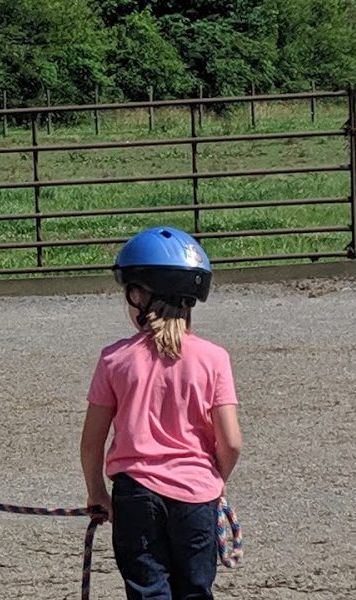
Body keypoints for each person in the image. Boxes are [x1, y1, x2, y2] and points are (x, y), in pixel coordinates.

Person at [80, 226, 243, 600]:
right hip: (196, 497)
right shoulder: (214, 359)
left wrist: (97, 493)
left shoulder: (114, 359)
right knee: (195, 591)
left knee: (147, 591)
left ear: (139, 294)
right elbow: (231, 442)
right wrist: (213, 482)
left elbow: (91, 443)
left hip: (135, 496)